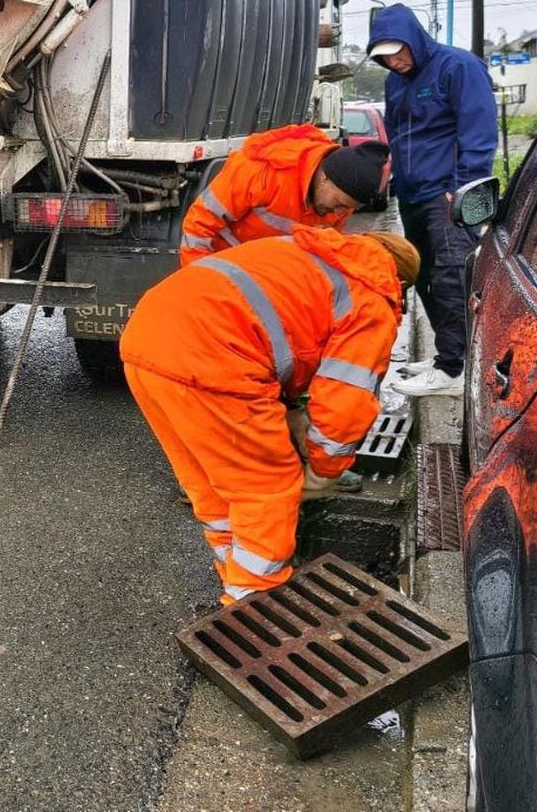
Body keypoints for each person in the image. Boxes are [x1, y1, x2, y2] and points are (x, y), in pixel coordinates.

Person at [119, 226, 420, 605]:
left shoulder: (309, 252)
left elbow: (282, 330)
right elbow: (345, 403)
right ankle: (253, 602)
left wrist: (292, 411)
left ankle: (234, 574)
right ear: (402, 284)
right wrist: (323, 471)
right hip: (215, 358)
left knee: (212, 484)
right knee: (267, 489)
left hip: (146, 340)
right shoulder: (372, 295)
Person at [367, 4, 497, 397]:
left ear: (415, 38)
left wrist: (463, 189)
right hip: (412, 195)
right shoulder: (394, 81)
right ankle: (447, 354)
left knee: (451, 276)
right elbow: (399, 136)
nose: (394, 59)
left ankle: (455, 371)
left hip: (447, 195)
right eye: (384, 54)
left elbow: (478, 130)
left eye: (398, 50)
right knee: (422, 275)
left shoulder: (457, 67)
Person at [179, 123, 390, 267]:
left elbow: (323, 253)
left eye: (347, 209)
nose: (339, 212)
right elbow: (200, 224)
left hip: (268, 280)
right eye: (339, 203)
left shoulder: (340, 204)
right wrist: (197, 277)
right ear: (326, 177)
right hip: (223, 267)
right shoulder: (262, 171)